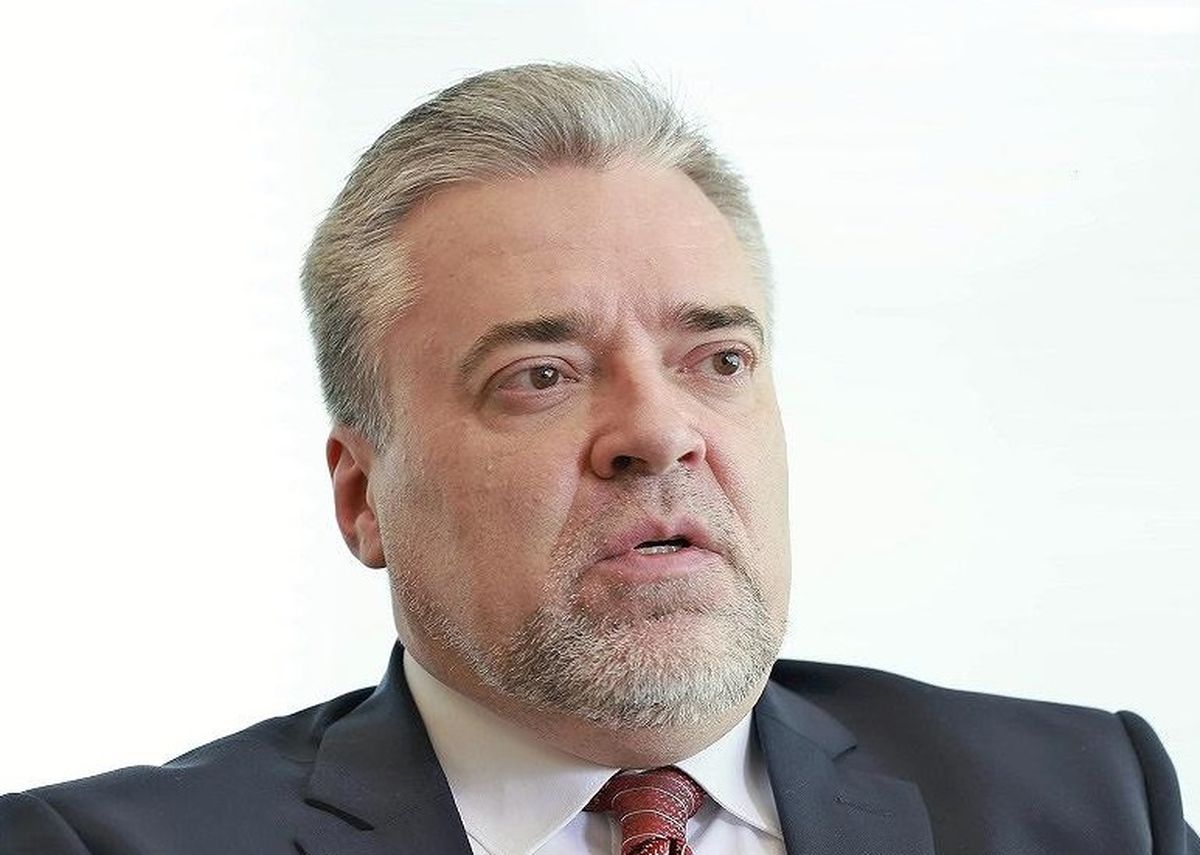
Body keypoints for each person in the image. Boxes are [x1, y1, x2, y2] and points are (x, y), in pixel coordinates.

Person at [1, 63, 1194, 855]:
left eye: (717, 359)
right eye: (542, 375)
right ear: (364, 498)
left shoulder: (1089, 801)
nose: (659, 432)